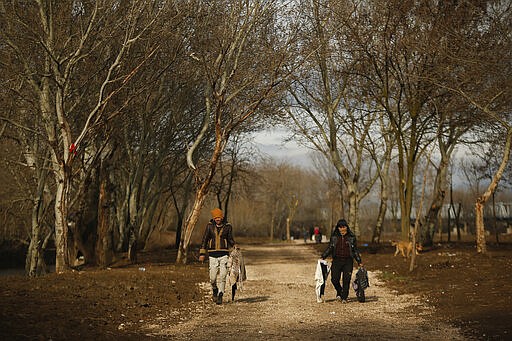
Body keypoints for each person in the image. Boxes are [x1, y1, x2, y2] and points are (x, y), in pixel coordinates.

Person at [199, 208, 236, 305]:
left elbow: (230, 239)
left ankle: (220, 294)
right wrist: (202, 253)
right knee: (212, 278)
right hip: (212, 255)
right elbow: (205, 239)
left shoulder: (228, 227)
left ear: (222, 217)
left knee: (223, 276)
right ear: (214, 218)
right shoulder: (209, 226)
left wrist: (234, 246)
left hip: (224, 254)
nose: (217, 219)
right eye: (215, 217)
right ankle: (215, 289)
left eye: (219, 217)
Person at [321, 219, 363, 303]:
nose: (342, 229)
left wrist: (359, 261)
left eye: (344, 227)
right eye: (340, 227)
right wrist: (323, 256)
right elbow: (330, 248)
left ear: (347, 227)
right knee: (334, 279)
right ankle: (339, 291)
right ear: (338, 228)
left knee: (346, 279)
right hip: (337, 261)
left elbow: (354, 250)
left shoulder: (351, 237)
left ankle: (344, 297)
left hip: (348, 261)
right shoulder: (334, 237)